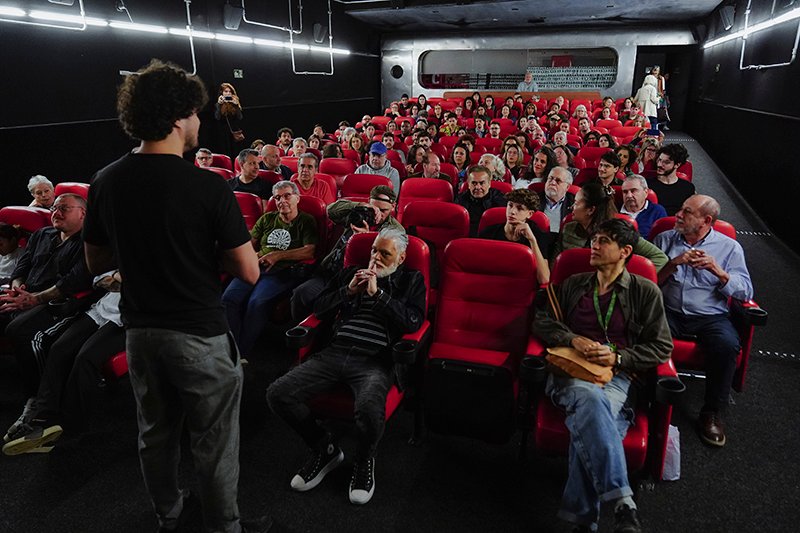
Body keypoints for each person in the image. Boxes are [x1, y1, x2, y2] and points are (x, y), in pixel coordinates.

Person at [82, 59, 269, 533]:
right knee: (214, 440)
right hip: (199, 333)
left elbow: (96, 264)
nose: (200, 122)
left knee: (155, 434)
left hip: (140, 332)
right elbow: (248, 270)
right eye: (196, 113)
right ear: (178, 116)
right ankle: (223, 525)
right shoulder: (207, 185)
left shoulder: (105, 180)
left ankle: (167, 514)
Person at [533, 218, 673, 533]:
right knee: (592, 402)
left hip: (618, 375)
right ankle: (623, 501)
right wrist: (572, 339)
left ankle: (583, 522)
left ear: (625, 251)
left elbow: (662, 347)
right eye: (594, 239)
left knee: (593, 418)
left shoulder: (645, 291)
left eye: (603, 241)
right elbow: (541, 320)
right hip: (571, 370)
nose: (594, 245)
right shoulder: (575, 283)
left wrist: (619, 356)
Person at [269, 228, 424, 505]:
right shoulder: (349, 273)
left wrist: (380, 296)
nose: (375, 257)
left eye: (384, 253)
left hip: (375, 359)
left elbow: (413, 322)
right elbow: (318, 309)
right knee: (278, 394)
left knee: (368, 409)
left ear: (400, 259)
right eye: (374, 250)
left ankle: (364, 460)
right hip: (335, 351)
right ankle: (324, 448)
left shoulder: (410, 280)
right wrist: (349, 290)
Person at [653, 195, 753, 447]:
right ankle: (649, 398)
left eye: (686, 212)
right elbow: (647, 282)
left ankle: (711, 412)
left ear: (706, 220)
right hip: (669, 308)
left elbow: (745, 292)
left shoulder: (730, 248)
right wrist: (673, 263)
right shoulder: (664, 240)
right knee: (648, 333)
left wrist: (718, 271)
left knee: (727, 345)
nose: (677, 214)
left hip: (710, 315)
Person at [2, 271, 125, 455]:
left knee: (85, 359)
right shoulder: (125, 247)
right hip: (106, 305)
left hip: (134, 317)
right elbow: (101, 276)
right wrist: (114, 276)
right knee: (60, 349)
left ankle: (71, 430)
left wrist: (117, 278)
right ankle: (42, 418)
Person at [2, 193, 94, 422]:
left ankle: (39, 397)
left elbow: (72, 282)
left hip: (56, 301)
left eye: (64, 208)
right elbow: (21, 268)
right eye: (54, 207)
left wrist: (33, 299)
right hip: (25, 294)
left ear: (83, 213)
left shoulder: (89, 243)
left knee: (19, 329)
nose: (56, 212)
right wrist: (17, 289)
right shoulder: (43, 234)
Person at [223, 180, 317, 358]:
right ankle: (232, 347)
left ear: (297, 198)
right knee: (228, 298)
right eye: (278, 197)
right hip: (256, 266)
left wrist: (277, 255)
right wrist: (251, 255)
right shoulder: (267, 218)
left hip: (281, 272)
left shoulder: (306, 220)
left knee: (256, 302)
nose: (282, 201)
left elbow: (310, 250)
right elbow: (249, 244)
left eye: (287, 196)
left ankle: (240, 353)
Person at [290, 186, 402, 321]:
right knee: (301, 294)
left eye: (383, 210)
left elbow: (386, 264)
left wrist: (363, 241)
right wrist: (361, 206)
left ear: (393, 207)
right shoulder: (359, 214)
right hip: (332, 271)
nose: (378, 215)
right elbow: (331, 210)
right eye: (375, 209)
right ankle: (303, 333)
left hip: (357, 278)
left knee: (337, 307)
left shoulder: (395, 231)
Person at [553, 182, 668, 270]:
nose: (571, 207)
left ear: (590, 210)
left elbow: (660, 258)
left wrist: (626, 280)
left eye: (576, 203)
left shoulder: (620, 232)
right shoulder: (568, 229)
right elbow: (556, 264)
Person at [478, 189, 550, 284]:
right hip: (491, 282)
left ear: (530, 214)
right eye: (510, 205)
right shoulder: (488, 232)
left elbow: (544, 279)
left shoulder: (538, 235)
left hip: (521, 285)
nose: (512, 212)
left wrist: (532, 241)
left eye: (519, 208)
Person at [455, 165, 507, 236]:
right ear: (469, 184)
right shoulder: (460, 199)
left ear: (489, 184)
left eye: (482, 183)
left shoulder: (500, 198)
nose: (478, 187)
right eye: (474, 183)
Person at [647, 143, 695, 216]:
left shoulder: (688, 188)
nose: (659, 165)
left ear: (677, 165)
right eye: (659, 160)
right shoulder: (647, 184)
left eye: (666, 162)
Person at [619, 175, 667, 239]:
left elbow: (662, 240)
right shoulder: (614, 210)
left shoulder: (657, 211)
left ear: (646, 192)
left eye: (633, 191)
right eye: (625, 192)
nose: (629, 195)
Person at [539, 167, 575, 235]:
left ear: (567, 187)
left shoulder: (573, 204)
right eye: (550, 178)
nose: (553, 183)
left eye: (558, 181)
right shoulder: (534, 199)